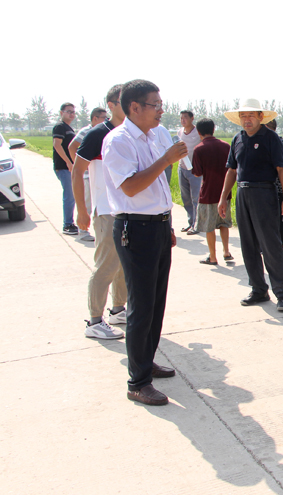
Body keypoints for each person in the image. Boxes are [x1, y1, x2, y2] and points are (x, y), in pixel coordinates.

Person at [102, 79, 186, 406]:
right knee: (140, 306)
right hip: (135, 229)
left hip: (157, 226)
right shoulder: (118, 141)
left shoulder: (150, 137)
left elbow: (157, 190)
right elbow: (131, 187)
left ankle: (145, 361)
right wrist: (166, 160)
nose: (161, 110)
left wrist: (167, 224)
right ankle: (137, 383)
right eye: (155, 104)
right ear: (134, 107)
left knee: (155, 302)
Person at [219, 99, 283, 311]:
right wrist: (223, 197)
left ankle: (282, 294)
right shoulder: (238, 139)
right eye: (243, 116)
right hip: (243, 193)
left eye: (251, 115)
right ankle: (258, 289)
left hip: (264, 193)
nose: (247, 119)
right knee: (248, 244)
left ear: (261, 117)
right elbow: (232, 170)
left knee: (270, 245)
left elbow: (282, 169)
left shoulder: (271, 138)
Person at [72, 85, 128, 340]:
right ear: (111, 105)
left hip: (126, 209)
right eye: (122, 101)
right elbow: (77, 170)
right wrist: (82, 210)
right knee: (106, 265)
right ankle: (94, 321)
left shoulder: (130, 132)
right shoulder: (98, 134)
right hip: (105, 209)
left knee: (122, 264)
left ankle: (118, 310)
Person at [192, 118, 232, 265]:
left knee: (209, 226)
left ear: (198, 132)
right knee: (223, 223)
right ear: (213, 129)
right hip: (224, 193)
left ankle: (213, 256)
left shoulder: (199, 149)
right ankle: (226, 251)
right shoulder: (226, 146)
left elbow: (197, 173)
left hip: (208, 193)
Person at [69, 107, 108, 242]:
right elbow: (72, 147)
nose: (106, 120)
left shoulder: (104, 131)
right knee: (87, 203)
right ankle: (83, 230)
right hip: (87, 175)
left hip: (97, 174)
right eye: (104, 118)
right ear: (95, 118)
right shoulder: (88, 132)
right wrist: (80, 165)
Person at [53, 102, 78, 235]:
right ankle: (67, 224)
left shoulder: (68, 128)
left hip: (69, 166)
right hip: (63, 167)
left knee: (72, 195)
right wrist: (68, 162)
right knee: (69, 195)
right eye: (69, 112)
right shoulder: (60, 127)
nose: (71, 114)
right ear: (61, 113)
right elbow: (57, 145)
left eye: (73, 112)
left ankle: (70, 222)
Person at [177, 110, 202, 234]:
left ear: (192, 118)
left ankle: (197, 225)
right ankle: (190, 222)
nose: (183, 120)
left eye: (185, 117)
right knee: (185, 197)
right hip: (182, 168)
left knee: (195, 198)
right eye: (181, 118)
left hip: (195, 170)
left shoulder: (198, 132)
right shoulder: (180, 132)